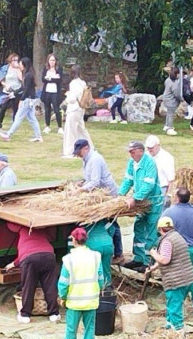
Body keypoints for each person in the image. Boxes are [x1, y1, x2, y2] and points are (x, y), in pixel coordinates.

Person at [72, 138, 123, 266]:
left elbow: (95, 181)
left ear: (86, 148)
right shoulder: (87, 160)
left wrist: (81, 190)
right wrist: (82, 183)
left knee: (111, 222)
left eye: (80, 151)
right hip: (100, 194)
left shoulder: (94, 159)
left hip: (108, 195)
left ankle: (118, 253)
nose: (78, 155)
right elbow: (89, 179)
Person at [58, 228, 104, 339]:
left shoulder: (68, 260)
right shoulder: (96, 256)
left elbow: (63, 282)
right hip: (91, 300)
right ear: (86, 239)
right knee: (89, 328)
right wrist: (100, 289)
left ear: (73, 240)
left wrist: (62, 296)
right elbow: (101, 277)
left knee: (71, 329)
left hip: (74, 302)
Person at [163, 188, 193, 316]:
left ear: (177, 198)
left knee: (179, 280)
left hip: (178, 250)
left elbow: (162, 228)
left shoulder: (169, 212)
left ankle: (177, 309)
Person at [119, 140, 163, 271]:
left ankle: (148, 261)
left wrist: (134, 198)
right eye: (129, 152)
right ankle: (138, 258)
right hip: (141, 204)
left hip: (152, 202)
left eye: (132, 151)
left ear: (140, 151)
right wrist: (120, 195)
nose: (130, 154)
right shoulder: (132, 163)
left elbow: (148, 185)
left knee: (151, 232)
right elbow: (128, 180)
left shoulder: (149, 163)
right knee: (138, 228)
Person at [5, 222, 60, 323]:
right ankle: (54, 314)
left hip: (29, 258)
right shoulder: (42, 226)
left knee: (28, 286)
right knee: (50, 286)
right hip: (48, 255)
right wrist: (14, 263)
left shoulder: (21, 226)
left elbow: (11, 225)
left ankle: (25, 314)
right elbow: (52, 235)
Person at [148, 217, 193, 331]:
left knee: (175, 307)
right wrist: (153, 268)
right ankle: (169, 326)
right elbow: (171, 257)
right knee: (173, 304)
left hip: (176, 280)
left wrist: (153, 253)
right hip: (186, 278)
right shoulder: (177, 236)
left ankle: (178, 331)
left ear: (160, 228)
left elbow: (165, 260)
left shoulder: (167, 241)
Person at [0, 57, 43, 142]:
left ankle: (8, 134)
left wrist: (21, 100)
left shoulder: (28, 75)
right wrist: (14, 93)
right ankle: (38, 136)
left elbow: (26, 90)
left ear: (24, 65)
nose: (19, 65)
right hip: (30, 100)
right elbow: (22, 88)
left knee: (18, 117)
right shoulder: (27, 74)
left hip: (27, 100)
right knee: (32, 118)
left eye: (20, 63)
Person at [62, 64, 94, 158]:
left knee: (70, 131)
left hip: (74, 109)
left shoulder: (73, 83)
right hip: (81, 109)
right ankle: (90, 148)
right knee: (81, 130)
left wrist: (66, 98)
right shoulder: (83, 83)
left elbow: (72, 98)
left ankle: (69, 152)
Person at [144, 135, 175, 209]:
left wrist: (168, 195)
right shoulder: (146, 155)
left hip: (161, 190)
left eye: (151, 148)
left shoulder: (166, 158)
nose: (149, 150)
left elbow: (171, 179)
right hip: (147, 188)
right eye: (148, 148)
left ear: (158, 146)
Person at [0, 52, 22, 130]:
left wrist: (18, 69)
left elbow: (21, 79)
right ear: (10, 60)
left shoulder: (19, 69)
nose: (15, 62)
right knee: (3, 107)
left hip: (16, 91)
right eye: (13, 60)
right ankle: (0, 123)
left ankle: (14, 126)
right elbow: (1, 80)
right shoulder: (5, 68)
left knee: (15, 109)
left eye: (17, 60)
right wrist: (5, 85)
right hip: (7, 91)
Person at [41, 53, 64, 134]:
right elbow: (43, 79)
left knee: (57, 110)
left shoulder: (59, 69)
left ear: (55, 61)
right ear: (48, 61)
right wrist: (53, 78)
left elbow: (59, 80)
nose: (52, 62)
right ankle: (47, 126)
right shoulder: (45, 69)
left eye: (53, 60)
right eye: (50, 60)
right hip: (47, 92)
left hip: (55, 93)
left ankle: (60, 127)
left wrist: (50, 78)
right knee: (47, 109)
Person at [161, 68, 182, 136]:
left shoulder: (168, 80)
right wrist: (181, 99)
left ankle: (166, 125)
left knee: (169, 113)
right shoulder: (175, 83)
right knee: (171, 114)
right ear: (177, 74)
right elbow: (176, 94)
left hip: (165, 98)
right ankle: (170, 129)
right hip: (171, 100)